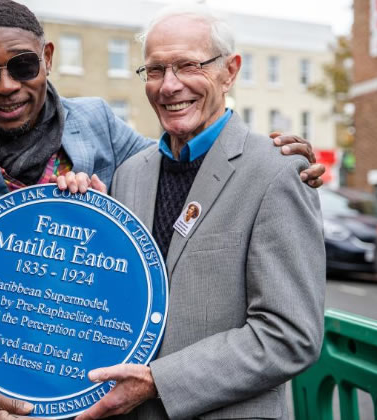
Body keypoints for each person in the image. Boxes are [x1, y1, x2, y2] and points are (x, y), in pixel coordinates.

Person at [0, 1, 324, 419]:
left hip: (93, 389)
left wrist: (280, 156)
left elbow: (196, 160)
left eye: (23, 66)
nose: (5, 85)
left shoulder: (97, 123)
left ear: (48, 58)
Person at [60, 6, 326, 420]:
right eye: (154, 70)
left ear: (230, 71)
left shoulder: (278, 171)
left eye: (188, 65)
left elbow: (290, 336)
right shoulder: (130, 174)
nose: (169, 85)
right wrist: (90, 223)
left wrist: (158, 381)